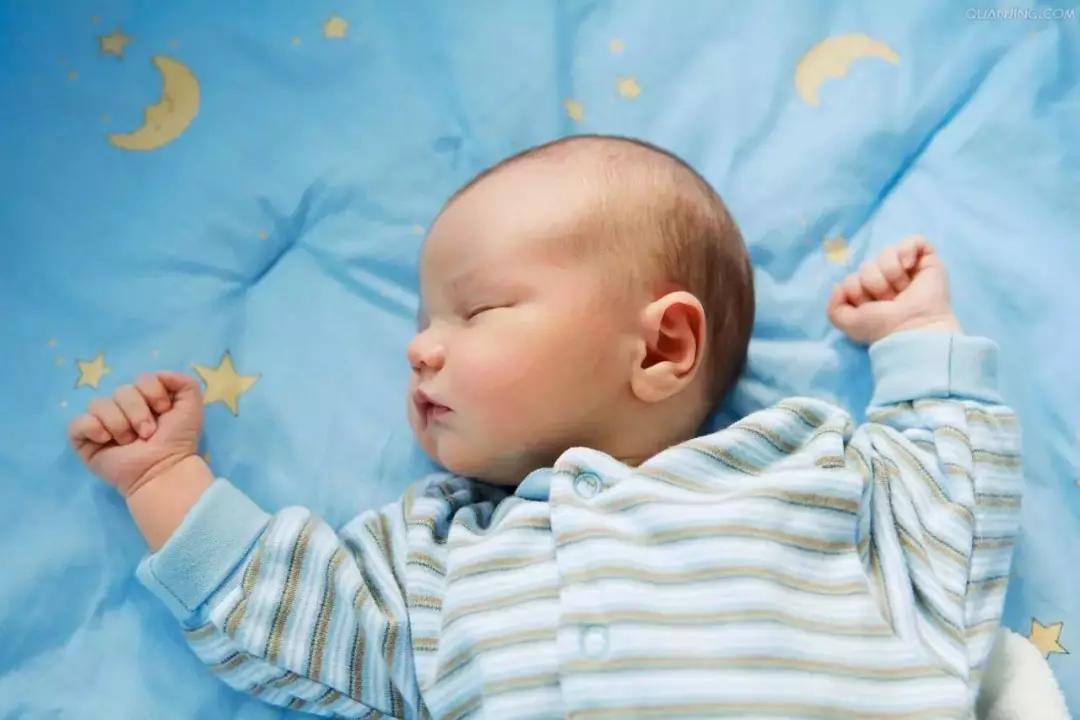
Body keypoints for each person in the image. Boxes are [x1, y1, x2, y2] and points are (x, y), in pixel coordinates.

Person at [68, 135, 1022, 719]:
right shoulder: (443, 562)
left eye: (475, 313)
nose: (420, 351)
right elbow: (305, 623)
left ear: (661, 348)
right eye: (421, 323)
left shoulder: (801, 476)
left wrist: (916, 337)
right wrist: (164, 483)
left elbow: (954, 511)